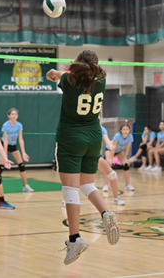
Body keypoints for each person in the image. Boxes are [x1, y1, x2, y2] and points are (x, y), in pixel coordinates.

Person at [46, 50, 120, 266]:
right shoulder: (102, 81)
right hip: (94, 136)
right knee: (87, 183)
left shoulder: (68, 81)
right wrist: (63, 72)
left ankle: (74, 238)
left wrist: (56, 72)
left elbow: (58, 75)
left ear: (78, 64)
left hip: (71, 137)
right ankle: (105, 212)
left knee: (70, 188)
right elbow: (80, 75)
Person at [0, 108, 34, 194]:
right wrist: (4, 154)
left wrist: (23, 152)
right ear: (8, 116)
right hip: (4, 145)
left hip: (13, 145)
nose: (14, 116)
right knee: (1, 166)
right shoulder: (5, 125)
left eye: (15, 114)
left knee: (21, 165)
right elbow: (5, 141)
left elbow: (21, 139)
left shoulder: (19, 125)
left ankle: (25, 185)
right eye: (12, 114)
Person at [99, 124, 125, 206]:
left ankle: (116, 198)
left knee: (112, 174)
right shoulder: (82, 125)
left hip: (93, 155)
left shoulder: (102, 129)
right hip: (80, 155)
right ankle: (67, 200)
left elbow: (107, 141)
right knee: (75, 179)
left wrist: (112, 147)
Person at [105, 124, 135, 191]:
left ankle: (127, 185)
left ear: (129, 130)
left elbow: (127, 149)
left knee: (126, 165)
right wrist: (111, 159)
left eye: (127, 129)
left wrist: (125, 159)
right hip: (110, 149)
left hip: (119, 151)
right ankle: (106, 185)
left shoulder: (130, 137)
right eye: (124, 129)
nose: (125, 131)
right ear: (121, 130)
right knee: (109, 164)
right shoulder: (118, 136)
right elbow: (113, 148)